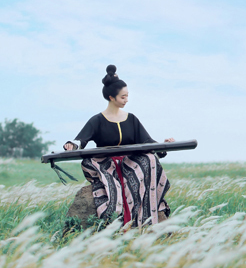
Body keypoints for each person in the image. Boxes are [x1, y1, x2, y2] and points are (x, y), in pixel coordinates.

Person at [63, 65, 174, 227]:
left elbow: (147, 142)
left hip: (129, 162)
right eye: (123, 97)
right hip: (106, 163)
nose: (126, 100)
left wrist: (164, 146)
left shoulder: (131, 119)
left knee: (150, 158)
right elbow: (81, 141)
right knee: (113, 187)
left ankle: (147, 217)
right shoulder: (97, 120)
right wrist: (71, 145)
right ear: (111, 97)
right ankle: (115, 219)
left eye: (127, 96)